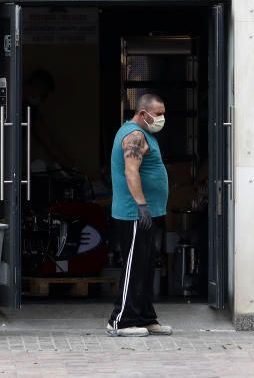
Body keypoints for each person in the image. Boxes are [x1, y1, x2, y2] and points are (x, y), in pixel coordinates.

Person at [106, 93, 173, 337]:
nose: (162, 118)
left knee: (145, 267)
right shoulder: (133, 135)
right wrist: (142, 205)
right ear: (143, 114)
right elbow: (131, 172)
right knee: (134, 265)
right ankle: (120, 321)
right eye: (158, 114)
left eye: (163, 113)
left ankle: (145, 317)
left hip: (147, 213)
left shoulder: (146, 134)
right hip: (135, 214)